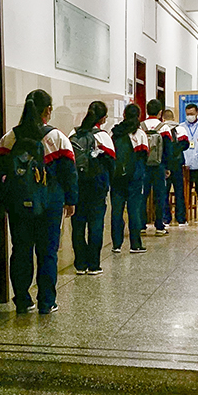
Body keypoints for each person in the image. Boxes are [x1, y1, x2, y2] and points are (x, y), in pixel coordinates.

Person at [0, 90, 78, 314]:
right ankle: (46, 302)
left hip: (18, 204)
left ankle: (22, 301)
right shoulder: (57, 138)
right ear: (48, 110)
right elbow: (69, 173)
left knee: (21, 250)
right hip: (50, 204)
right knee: (48, 252)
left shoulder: (10, 137)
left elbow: (0, 172)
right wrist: (71, 201)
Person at [70, 101, 115, 275]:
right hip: (96, 185)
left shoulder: (73, 133)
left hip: (77, 185)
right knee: (96, 224)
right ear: (103, 118)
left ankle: (80, 264)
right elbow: (112, 163)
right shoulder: (103, 136)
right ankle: (94, 265)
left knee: (78, 225)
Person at [110, 102, 148, 254]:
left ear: (124, 115)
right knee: (134, 210)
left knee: (117, 211)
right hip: (135, 177)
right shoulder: (140, 134)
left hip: (117, 177)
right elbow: (145, 155)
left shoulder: (115, 133)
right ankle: (135, 244)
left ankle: (116, 244)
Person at [139, 101, 169, 236]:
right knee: (159, 195)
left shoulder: (141, 127)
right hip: (159, 165)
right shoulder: (164, 127)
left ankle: (141, 225)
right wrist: (167, 167)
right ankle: (159, 226)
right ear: (160, 112)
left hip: (144, 166)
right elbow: (168, 149)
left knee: (142, 196)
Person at [162, 106, 190, 226]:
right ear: (173, 118)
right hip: (178, 164)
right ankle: (181, 219)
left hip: (164, 164)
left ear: (163, 118)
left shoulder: (162, 128)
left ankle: (165, 219)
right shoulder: (181, 128)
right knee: (179, 191)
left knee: (164, 192)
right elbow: (186, 144)